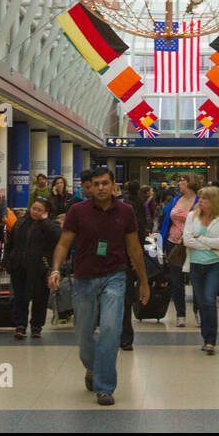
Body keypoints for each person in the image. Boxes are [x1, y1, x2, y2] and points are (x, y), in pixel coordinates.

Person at [49, 167, 150, 406]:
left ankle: (104, 386)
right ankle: (93, 366)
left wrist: (144, 281)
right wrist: (55, 268)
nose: (101, 188)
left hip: (115, 276)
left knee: (109, 330)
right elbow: (64, 244)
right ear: (90, 187)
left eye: (105, 183)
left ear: (114, 185)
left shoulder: (126, 211)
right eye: (96, 184)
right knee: (84, 334)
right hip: (84, 277)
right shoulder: (77, 211)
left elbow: (134, 248)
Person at [183, 185, 219, 354]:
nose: (201, 201)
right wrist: (207, 244)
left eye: (204, 198)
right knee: (202, 301)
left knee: (210, 299)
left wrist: (201, 239)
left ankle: (211, 340)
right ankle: (206, 336)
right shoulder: (192, 216)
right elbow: (187, 240)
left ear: (213, 201)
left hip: (214, 265)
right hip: (196, 265)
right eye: (200, 198)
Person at [6, 195, 61, 339]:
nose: (35, 212)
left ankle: (36, 326)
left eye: (40, 210)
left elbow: (58, 237)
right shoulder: (21, 223)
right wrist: (8, 261)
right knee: (20, 297)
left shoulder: (50, 225)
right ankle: (20, 325)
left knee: (40, 298)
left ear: (46, 211)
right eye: (34, 208)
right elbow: (10, 243)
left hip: (40, 267)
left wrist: (46, 221)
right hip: (19, 265)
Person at [159, 174, 200, 326]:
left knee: (196, 280)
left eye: (182, 181)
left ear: (190, 183)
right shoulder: (176, 200)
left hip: (193, 244)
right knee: (176, 281)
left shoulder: (200, 200)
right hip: (173, 243)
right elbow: (167, 220)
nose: (179, 183)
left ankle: (198, 311)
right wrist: (161, 242)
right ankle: (180, 314)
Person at [119, 179, 150, 350]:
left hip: (124, 259)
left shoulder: (126, 207)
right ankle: (124, 337)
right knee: (124, 300)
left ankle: (124, 336)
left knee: (123, 300)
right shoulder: (138, 203)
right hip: (124, 259)